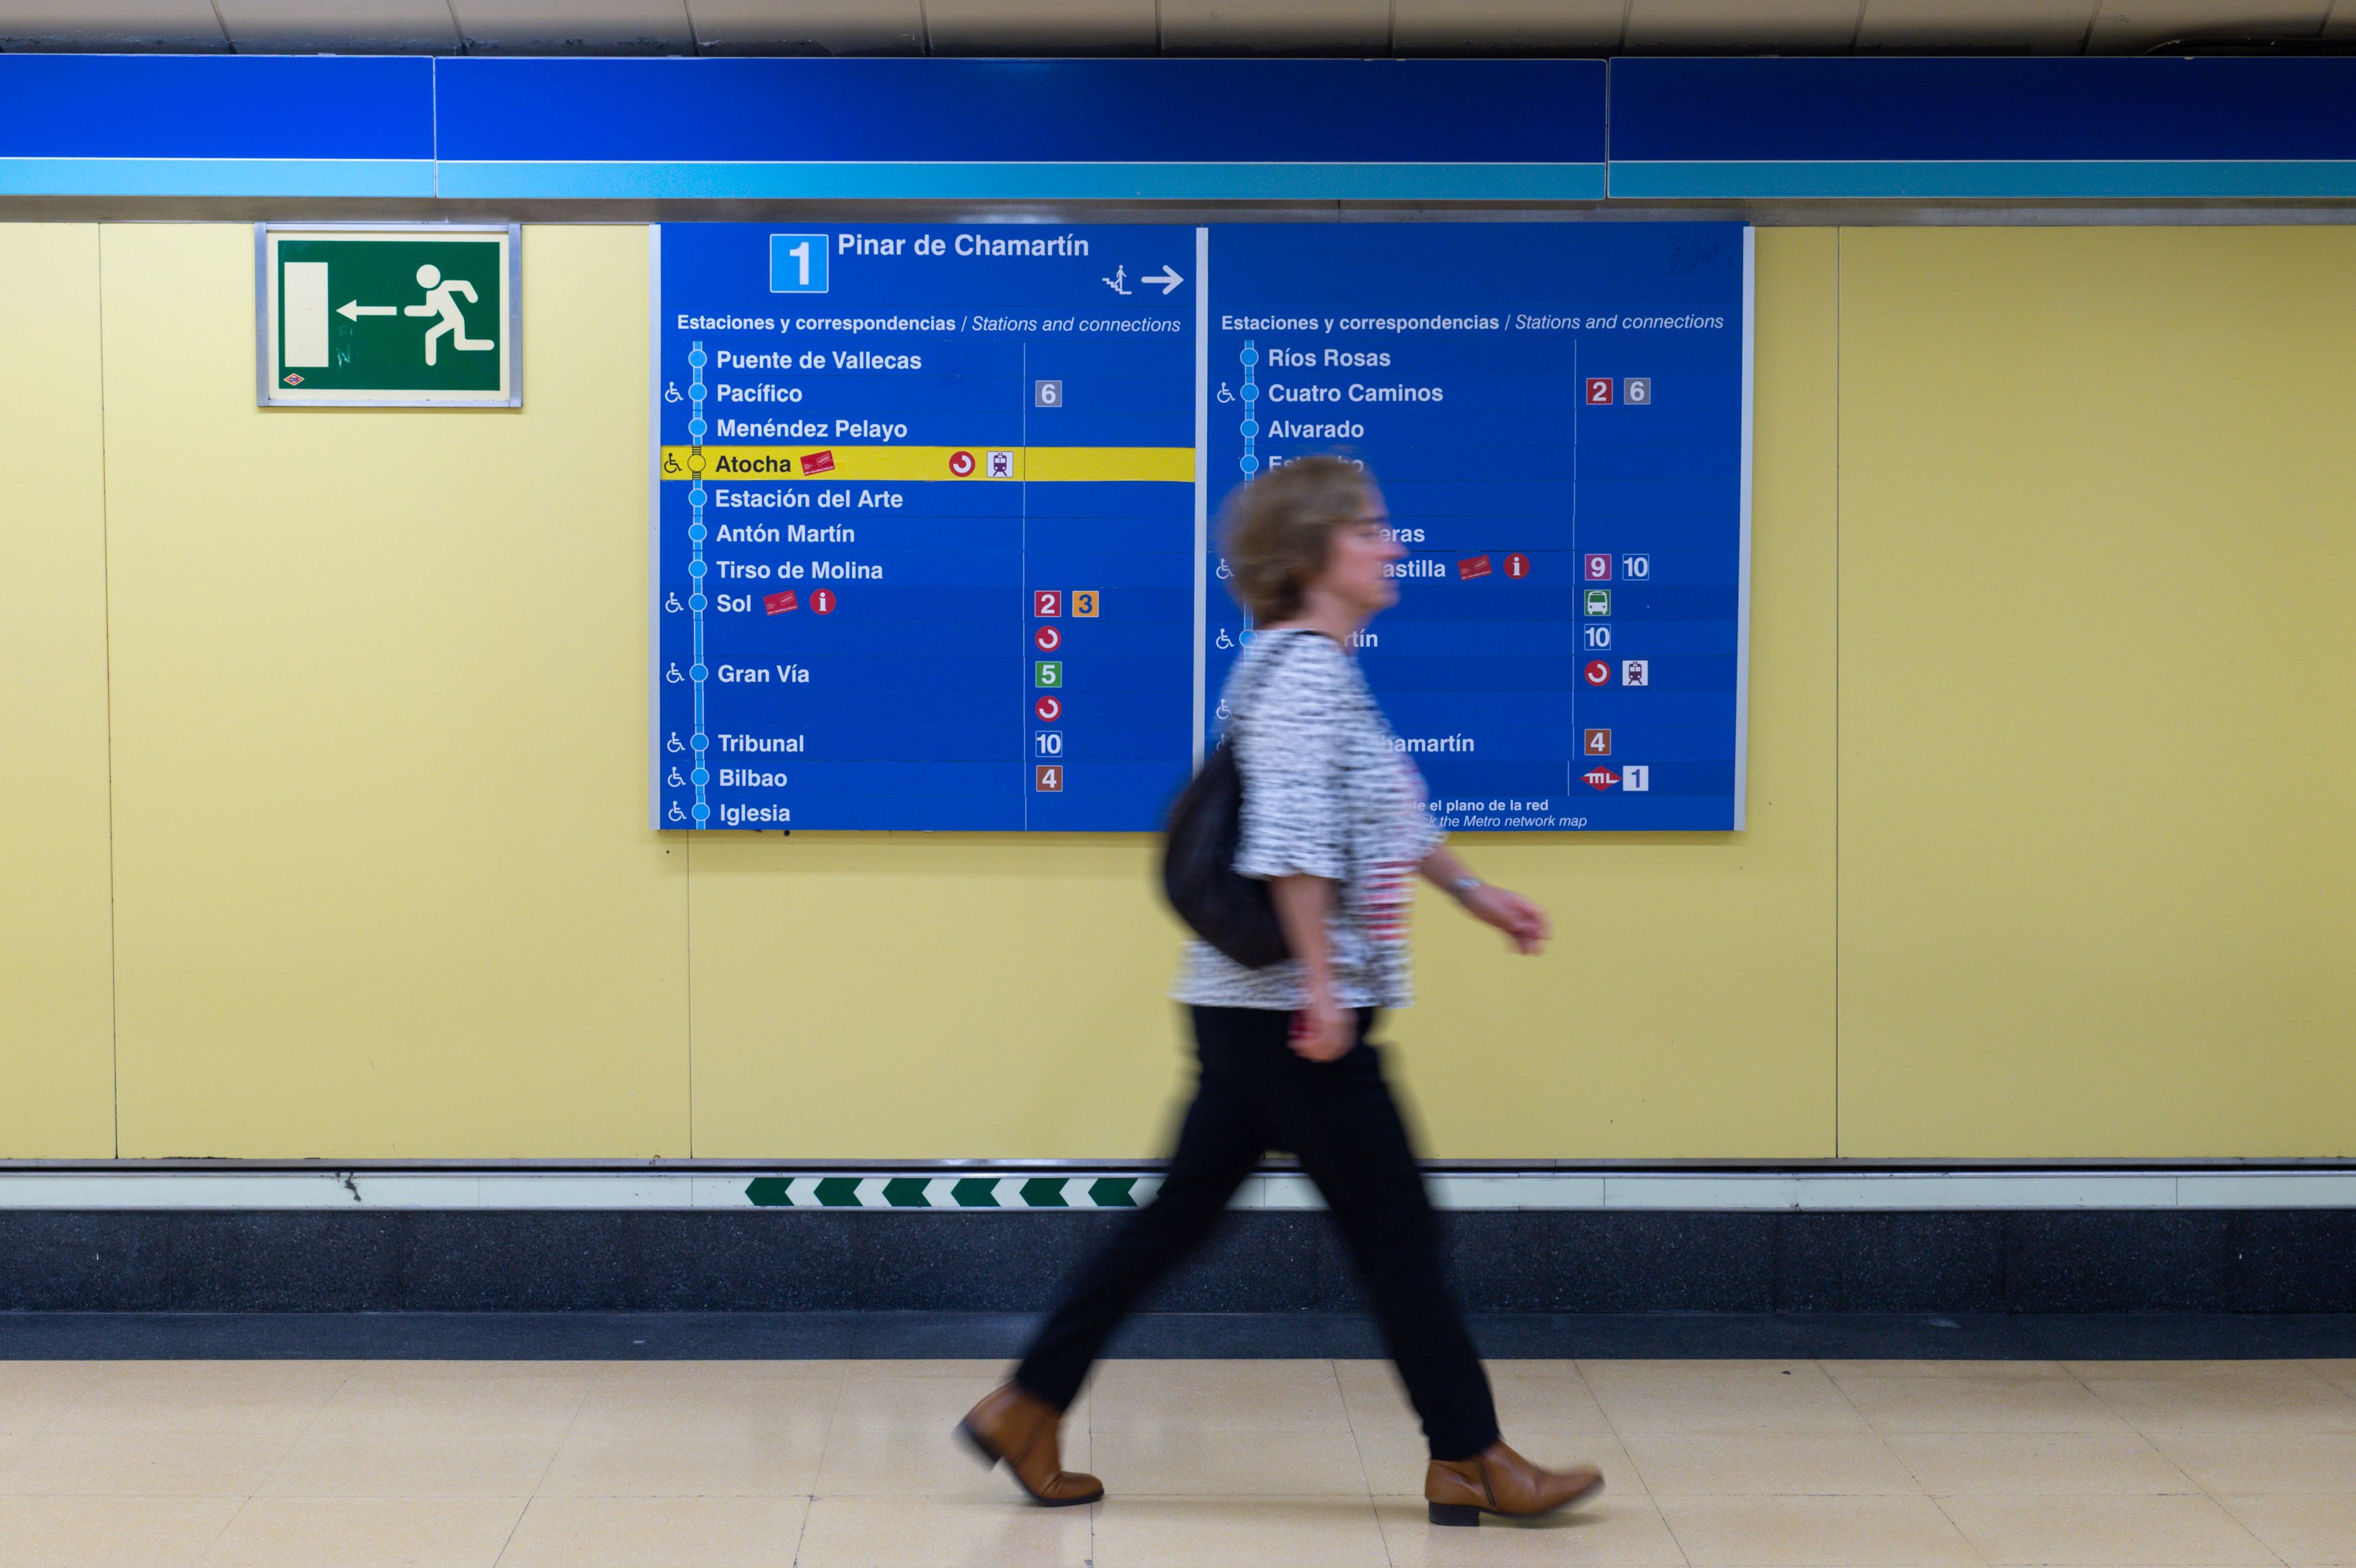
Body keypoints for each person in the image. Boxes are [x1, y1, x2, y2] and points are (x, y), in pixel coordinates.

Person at [959, 456, 1605, 1527]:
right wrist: (1321, 982)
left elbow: (1388, 805)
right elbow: (1290, 843)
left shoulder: (1305, 666)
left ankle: (1027, 1405)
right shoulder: (1304, 670)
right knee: (1397, 1229)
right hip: (1287, 1008)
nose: (1389, 543)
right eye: (1369, 529)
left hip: (1250, 1004)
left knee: (1178, 1218)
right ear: (1311, 556)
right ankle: (1474, 1454)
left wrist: (1473, 892)